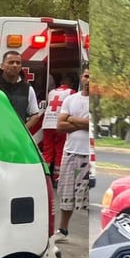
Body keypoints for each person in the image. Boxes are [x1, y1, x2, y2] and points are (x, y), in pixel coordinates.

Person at [54, 68, 92, 241]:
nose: (89, 80)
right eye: (86, 76)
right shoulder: (71, 99)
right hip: (70, 153)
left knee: (87, 195)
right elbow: (60, 126)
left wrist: (71, 119)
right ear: (81, 78)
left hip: (90, 156)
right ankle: (63, 230)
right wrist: (84, 123)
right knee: (67, 192)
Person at [0, 50, 40, 131]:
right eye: (11, 62)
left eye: (18, 63)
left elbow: (35, 115)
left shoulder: (27, 89)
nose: (15, 65)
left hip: (18, 138)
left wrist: (22, 130)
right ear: (2, 66)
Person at [41, 73, 75, 186]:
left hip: (47, 124)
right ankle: (57, 178)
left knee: (47, 151)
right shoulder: (71, 92)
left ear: (61, 83)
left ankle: (44, 177)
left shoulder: (51, 92)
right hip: (60, 125)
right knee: (60, 151)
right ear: (71, 84)